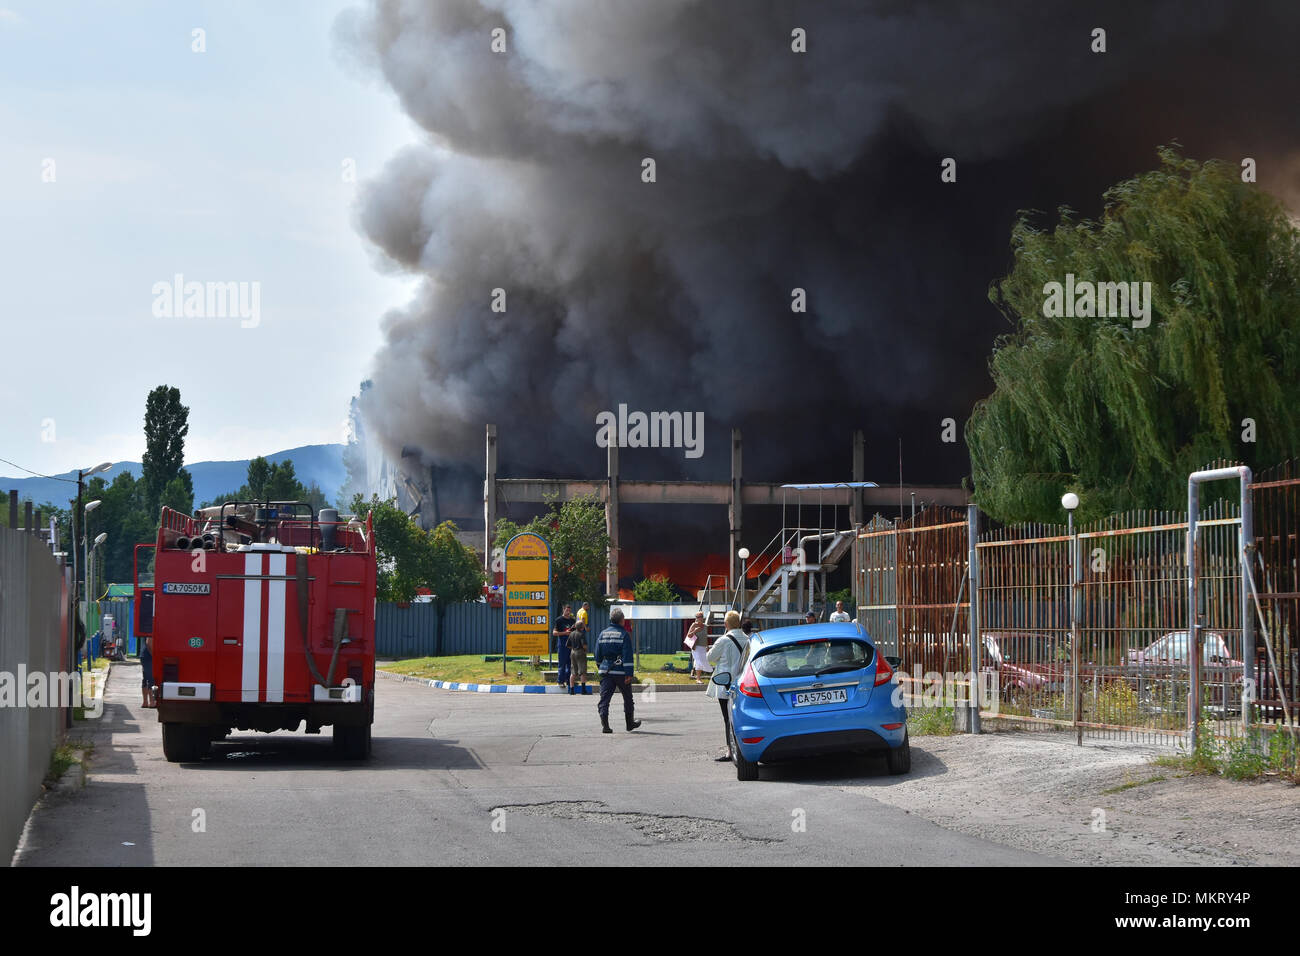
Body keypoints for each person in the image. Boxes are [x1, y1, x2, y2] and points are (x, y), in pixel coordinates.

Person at [706, 610, 749, 761]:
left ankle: (730, 751)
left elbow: (710, 658)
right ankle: (744, 748)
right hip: (744, 684)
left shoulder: (723, 640)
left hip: (725, 684)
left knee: (727, 718)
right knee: (742, 717)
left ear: (726, 624)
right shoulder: (748, 639)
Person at [594, 608, 640, 733]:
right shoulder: (624, 634)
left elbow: (597, 655)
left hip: (606, 672)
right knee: (627, 698)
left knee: (605, 699)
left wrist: (601, 667)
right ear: (621, 620)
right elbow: (627, 655)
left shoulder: (602, 634)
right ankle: (629, 724)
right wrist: (629, 673)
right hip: (621, 672)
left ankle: (605, 726)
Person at [553, 604, 575, 687]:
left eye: (569, 610)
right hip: (562, 645)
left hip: (571, 645)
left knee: (571, 664)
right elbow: (554, 633)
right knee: (562, 663)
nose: (568, 612)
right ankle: (560, 681)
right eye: (567, 610)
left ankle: (569, 681)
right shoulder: (559, 620)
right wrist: (565, 633)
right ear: (563, 610)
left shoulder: (572, 620)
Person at [567, 621, 590, 695]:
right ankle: (583, 690)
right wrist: (586, 650)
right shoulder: (581, 634)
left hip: (573, 652)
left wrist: (573, 648)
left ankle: (572, 690)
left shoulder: (571, 634)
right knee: (582, 671)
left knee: (573, 671)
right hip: (580, 652)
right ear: (582, 627)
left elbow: (568, 645)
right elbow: (584, 645)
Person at [685, 613, 708, 682]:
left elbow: (705, 637)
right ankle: (698, 679)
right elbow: (688, 636)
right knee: (699, 662)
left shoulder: (705, 626)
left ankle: (696, 674)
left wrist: (707, 646)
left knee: (701, 662)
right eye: (698, 617)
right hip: (696, 647)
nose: (699, 618)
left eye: (701, 617)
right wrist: (695, 631)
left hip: (703, 647)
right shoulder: (694, 625)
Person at [140, 635, 155, 709]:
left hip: (144, 655)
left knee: (145, 678)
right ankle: (152, 702)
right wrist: (154, 655)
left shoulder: (146, 628)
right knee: (151, 678)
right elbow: (149, 642)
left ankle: (145, 702)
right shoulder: (151, 628)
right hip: (149, 656)